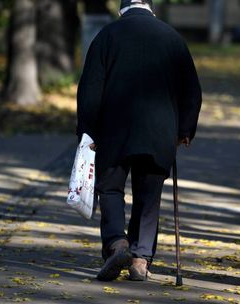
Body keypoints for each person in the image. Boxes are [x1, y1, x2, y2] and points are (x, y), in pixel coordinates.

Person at [76, 0, 202, 282]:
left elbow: (90, 89)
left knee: (109, 189)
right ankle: (140, 259)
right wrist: (184, 129)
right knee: (149, 196)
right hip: (159, 132)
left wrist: (87, 130)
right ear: (151, 7)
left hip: (113, 130)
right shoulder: (172, 38)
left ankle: (116, 244)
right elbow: (192, 90)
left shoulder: (107, 36)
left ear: (122, 9)